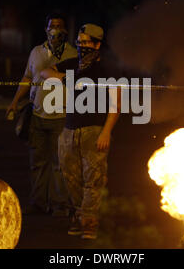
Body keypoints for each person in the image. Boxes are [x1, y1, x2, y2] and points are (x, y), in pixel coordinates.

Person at [41, 24, 121, 239]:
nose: (81, 46)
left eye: (86, 42)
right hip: (69, 130)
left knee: (93, 179)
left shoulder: (107, 69)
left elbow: (116, 104)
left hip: (94, 130)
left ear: (96, 44)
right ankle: (79, 214)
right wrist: (64, 78)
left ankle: (90, 221)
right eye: (79, 42)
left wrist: (106, 132)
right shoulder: (73, 66)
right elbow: (44, 72)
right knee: (71, 178)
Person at [6, 12, 77, 217]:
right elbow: (27, 77)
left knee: (59, 164)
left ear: (64, 31)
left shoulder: (72, 54)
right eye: (51, 26)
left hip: (61, 117)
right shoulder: (36, 52)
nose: (55, 29)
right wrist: (14, 102)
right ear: (46, 29)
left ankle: (60, 204)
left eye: (59, 26)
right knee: (37, 162)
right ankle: (38, 202)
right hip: (37, 116)